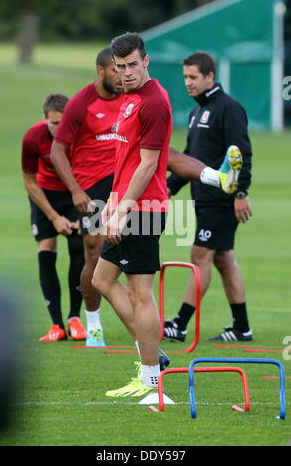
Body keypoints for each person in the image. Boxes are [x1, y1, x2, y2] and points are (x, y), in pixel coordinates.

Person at [92, 33, 243, 398]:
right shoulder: (130, 99)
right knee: (102, 280)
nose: (127, 72)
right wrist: (112, 203)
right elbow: (125, 160)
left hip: (143, 209)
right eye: (120, 67)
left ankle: (153, 381)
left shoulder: (154, 102)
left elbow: (148, 166)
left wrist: (123, 209)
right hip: (127, 204)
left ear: (146, 62)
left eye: (133, 65)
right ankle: (152, 357)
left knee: (140, 294)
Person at [164, 51, 253, 343]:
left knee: (200, 254)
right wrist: (170, 186)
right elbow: (190, 157)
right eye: (185, 77)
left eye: (193, 77)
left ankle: (179, 324)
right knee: (224, 258)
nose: (188, 83)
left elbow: (242, 152)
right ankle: (242, 328)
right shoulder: (195, 112)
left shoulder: (229, 108)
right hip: (201, 196)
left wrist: (240, 192)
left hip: (222, 199)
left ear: (210, 77)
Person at [50, 48, 124, 347]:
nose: (121, 76)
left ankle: (139, 318)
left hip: (123, 185)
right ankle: (93, 325)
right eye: (115, 70)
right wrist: (76, 190)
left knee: (131, 253)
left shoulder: (130, 99)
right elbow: (57, 151)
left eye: (124, 69)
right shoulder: (81, 104)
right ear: (100, 70)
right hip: (92, 188)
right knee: (93, 253)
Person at [22, 93, 86, 342]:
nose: (59, 129)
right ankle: (56, 325)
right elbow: (29, 181)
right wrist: (54, 217)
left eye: (63, 123)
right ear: (44, 120)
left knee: (79, 244)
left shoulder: (82, 134)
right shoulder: (33, 137)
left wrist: (89, 210)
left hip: (77, 193)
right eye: (53, 124)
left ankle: (75, 319)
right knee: (46, 247)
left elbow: (95, 170)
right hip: (45, 194)